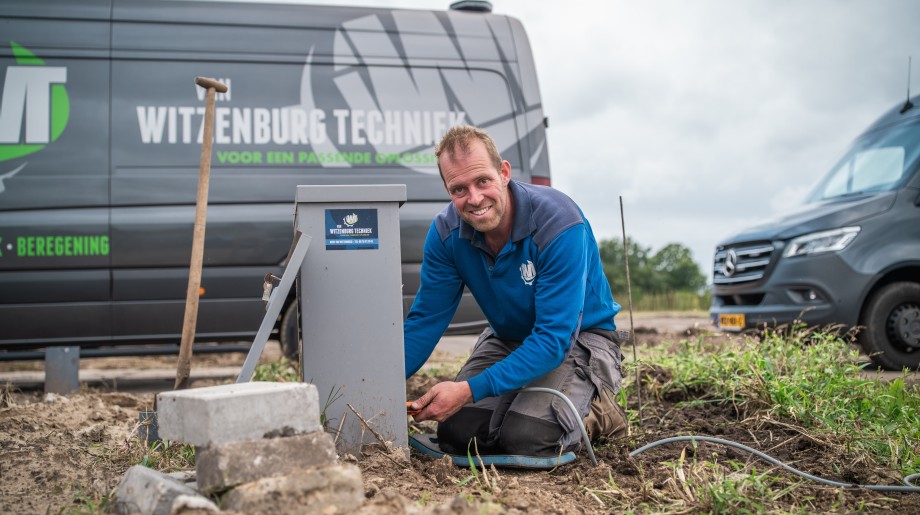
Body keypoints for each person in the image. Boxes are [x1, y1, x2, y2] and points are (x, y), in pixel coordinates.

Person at [404, 125, 627, 457]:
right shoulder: (446, 234)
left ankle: (601, 412)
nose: (475, 198)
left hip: (579, 338)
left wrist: (468, 390)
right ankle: (523, 400)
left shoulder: (558, 222)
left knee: (530, 436)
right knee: (457, 432)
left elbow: (553, 339)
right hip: (509, 338)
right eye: (459, 188)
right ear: (447, 189)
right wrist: (374, 383)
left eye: (483, 181)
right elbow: (424, 321)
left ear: (504, 172)